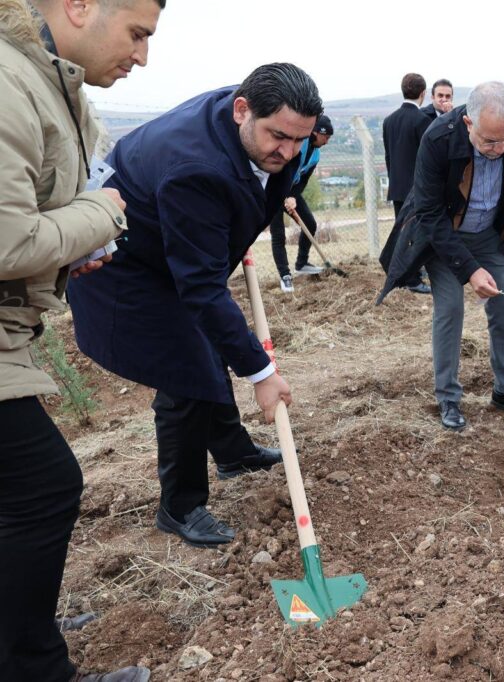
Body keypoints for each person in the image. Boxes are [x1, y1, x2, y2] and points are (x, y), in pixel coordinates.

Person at [68, 63, 323, 549]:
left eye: (299, 140)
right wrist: (261, 373)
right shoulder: (196, 169)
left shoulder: (257, 122)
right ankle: (180, 506)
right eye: (278, 138)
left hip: (176, 251)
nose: (288, 152)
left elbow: (264, 184)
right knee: (186, 370)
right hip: (128, 270)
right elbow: (202, 289)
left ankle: (232, 452)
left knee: (208, 348)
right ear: (242, 110)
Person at [1, 0, 163, 678]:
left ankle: (20, 621)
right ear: (79, 7)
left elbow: (54, 209)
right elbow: (9, 239)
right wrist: (97, 217)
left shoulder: (56, 86)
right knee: (43, 488)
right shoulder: (9, 86)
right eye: (137, 34)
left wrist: (79, 239)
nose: (142, 56)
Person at [378, 81, 504, 432]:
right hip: (446, 239)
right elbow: (429, 213)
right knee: (450, 310)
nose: (499, 149)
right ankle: (448, 397)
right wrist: (470, 271)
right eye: (490, 141)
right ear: (468, 124)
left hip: (491, 236)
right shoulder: (437, 139)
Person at [268, 113, 332, 293]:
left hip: (291, 191)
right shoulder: (298, 144)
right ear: (317, 132)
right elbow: (282, 170)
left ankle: (301, 263)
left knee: (310, 223)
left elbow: (303, 179)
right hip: (273, 190)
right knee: (278, 234)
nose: (326, 141)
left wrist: (293, 196)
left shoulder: (316, 155)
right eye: (326, 137)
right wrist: (283, 195)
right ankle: (285, 275)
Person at [380, 72, 432, 294]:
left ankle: (407, 272)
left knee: (402, 233)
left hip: (398, 186)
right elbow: (428, 158)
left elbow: (388, 156)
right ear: (423, 93)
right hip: (417, 189)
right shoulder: (422, 121)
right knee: (416, 233)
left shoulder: (389, 120)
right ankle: (411, 278)